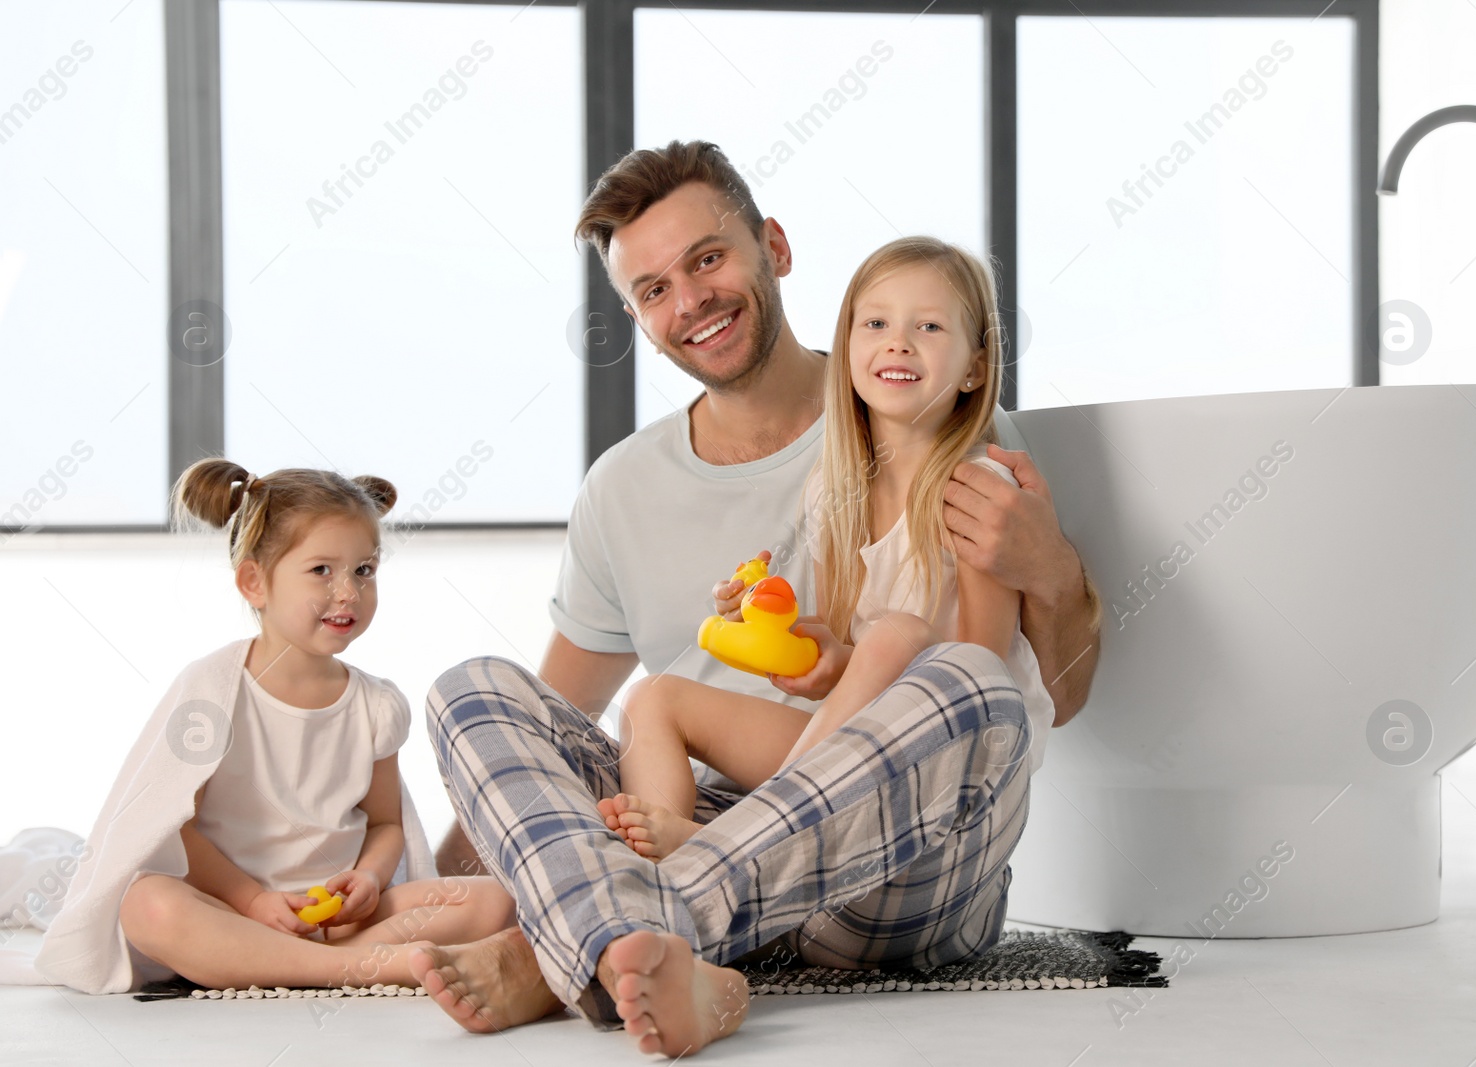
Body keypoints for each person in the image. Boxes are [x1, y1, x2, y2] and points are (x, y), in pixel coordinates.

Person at [410, 141, 1101, 1057]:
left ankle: (571, 949)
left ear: (773, 246)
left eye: (707, 258)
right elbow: (553, 716)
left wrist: (1051, 567)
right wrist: (429, 883)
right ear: (636, 315)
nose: (690, 300)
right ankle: (664, 945)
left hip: (892, 860)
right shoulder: (622, 487)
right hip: (695, 816)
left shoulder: (941, 427)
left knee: (970, 684)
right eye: (654, 288)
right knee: (471, 691)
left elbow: (1048, 694)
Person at [607, 235, 1073, 859]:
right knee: (651, 697)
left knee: (897, 635)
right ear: (847, 347)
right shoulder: (834, 490)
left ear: (975, 368)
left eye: (929, 326)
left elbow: (977, 680)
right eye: (876, 323)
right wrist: (779, 627)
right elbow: (839, 663)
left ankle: (737, 847)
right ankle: (660, 874)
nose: (898, 342)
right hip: (859, 761)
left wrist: (879, 652)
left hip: (955, 774)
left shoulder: (977, 492)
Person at [35, 460, 514, 994]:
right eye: (321, 570)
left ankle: (319, 961)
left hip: (339, 922)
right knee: (147, 904)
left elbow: (385, 824)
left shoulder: (376, 705)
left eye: (364, 570)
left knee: (493, 900)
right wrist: (253, 901)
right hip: (232, 912)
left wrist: (370, 877)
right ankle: (362, 968)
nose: (348, 592)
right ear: (254, 582)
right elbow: (175, 826)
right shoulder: (214, 690)